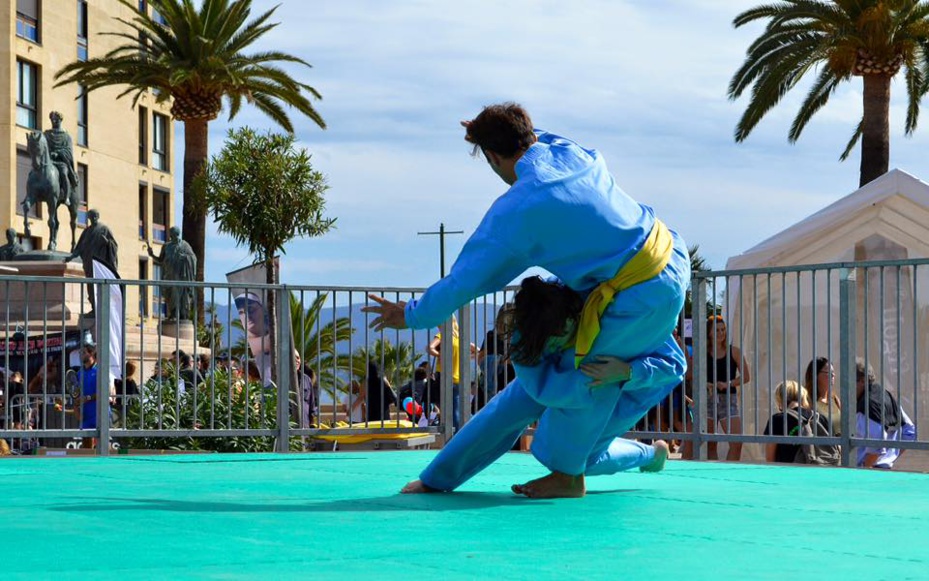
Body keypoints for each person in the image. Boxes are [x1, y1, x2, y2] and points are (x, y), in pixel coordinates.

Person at [364, 103, 689, 498]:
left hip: (641, 293)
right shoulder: (568, 152)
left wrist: (411, 315)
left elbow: (462, 282)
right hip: (668, 261)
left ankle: (567, 476)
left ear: (492, 156)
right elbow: (530, 136)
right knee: (537, 399)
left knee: (580, 385)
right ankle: (443, 476)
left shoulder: (518, 210)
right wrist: (492, 129)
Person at [855, 358, 916, 469]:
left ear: (863, 381)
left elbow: (877, 445)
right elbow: (910, 432)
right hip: (884, 469)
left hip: (867, 471)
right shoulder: (886, 396)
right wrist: (890, 456)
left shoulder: (867, 405)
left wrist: (865, 467)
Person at [705, 315, 750, 462]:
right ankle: (714, 471)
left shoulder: (734, 351)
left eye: (723, 329)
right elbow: (693, 374)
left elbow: (746, 377)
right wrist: (705, 384)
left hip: (728, 400)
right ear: (709, 333)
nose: (721, 333)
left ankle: (730, 470)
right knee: (711, 444)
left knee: (737, 442)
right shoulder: (703, 352)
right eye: (717, 330)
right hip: (708, 400)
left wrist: (728, 384)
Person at [762, 380, 836, 464]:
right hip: (823, 469)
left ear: (780, 399)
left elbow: (770, 458)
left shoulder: (777, 419)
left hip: (789, 470)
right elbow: (837, 448)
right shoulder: (821, 418)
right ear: (803, 397)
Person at [66, 209, 119, 316]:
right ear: (89, 218)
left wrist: (107, 242)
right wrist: (71, 257)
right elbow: (79, 247)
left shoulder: (104, 229)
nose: (93, 218)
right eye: (91, 217)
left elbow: (114, 245)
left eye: (95, 216)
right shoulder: (87, 231)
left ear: (98, 217)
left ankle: (102, 309)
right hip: (89, 264)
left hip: (100, 265)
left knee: (100, 287)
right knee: (91, 287)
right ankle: (94, 309)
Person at [145, 226, 197, 321]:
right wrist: (151, 254)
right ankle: (173, 314)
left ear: (178, 234)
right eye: (172, 235)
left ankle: (182, 315)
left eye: (175, 235)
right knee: (171, 297)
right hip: (169, 276)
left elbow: (193, 258)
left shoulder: (185, 245)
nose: (173, 237)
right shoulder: (166, 246)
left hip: (181, 277)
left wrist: (185, 257)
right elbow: (161, 260)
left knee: (182, 297)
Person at [44, 111, 80, 203]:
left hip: (61, 162)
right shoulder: (47, 134)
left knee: (63, 173)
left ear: (60, 120)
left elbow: (68, 151)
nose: (54, 122)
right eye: (52, 120)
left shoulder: (66, 136)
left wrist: (58, 153)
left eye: (56, 120)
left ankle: (66, 196)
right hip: (49, 161)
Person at [803, 357, 842, 435]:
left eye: (833, 372)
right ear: (815, 375)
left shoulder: (835, 399)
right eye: (829, 372)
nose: (833, 375)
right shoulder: (807, 401)